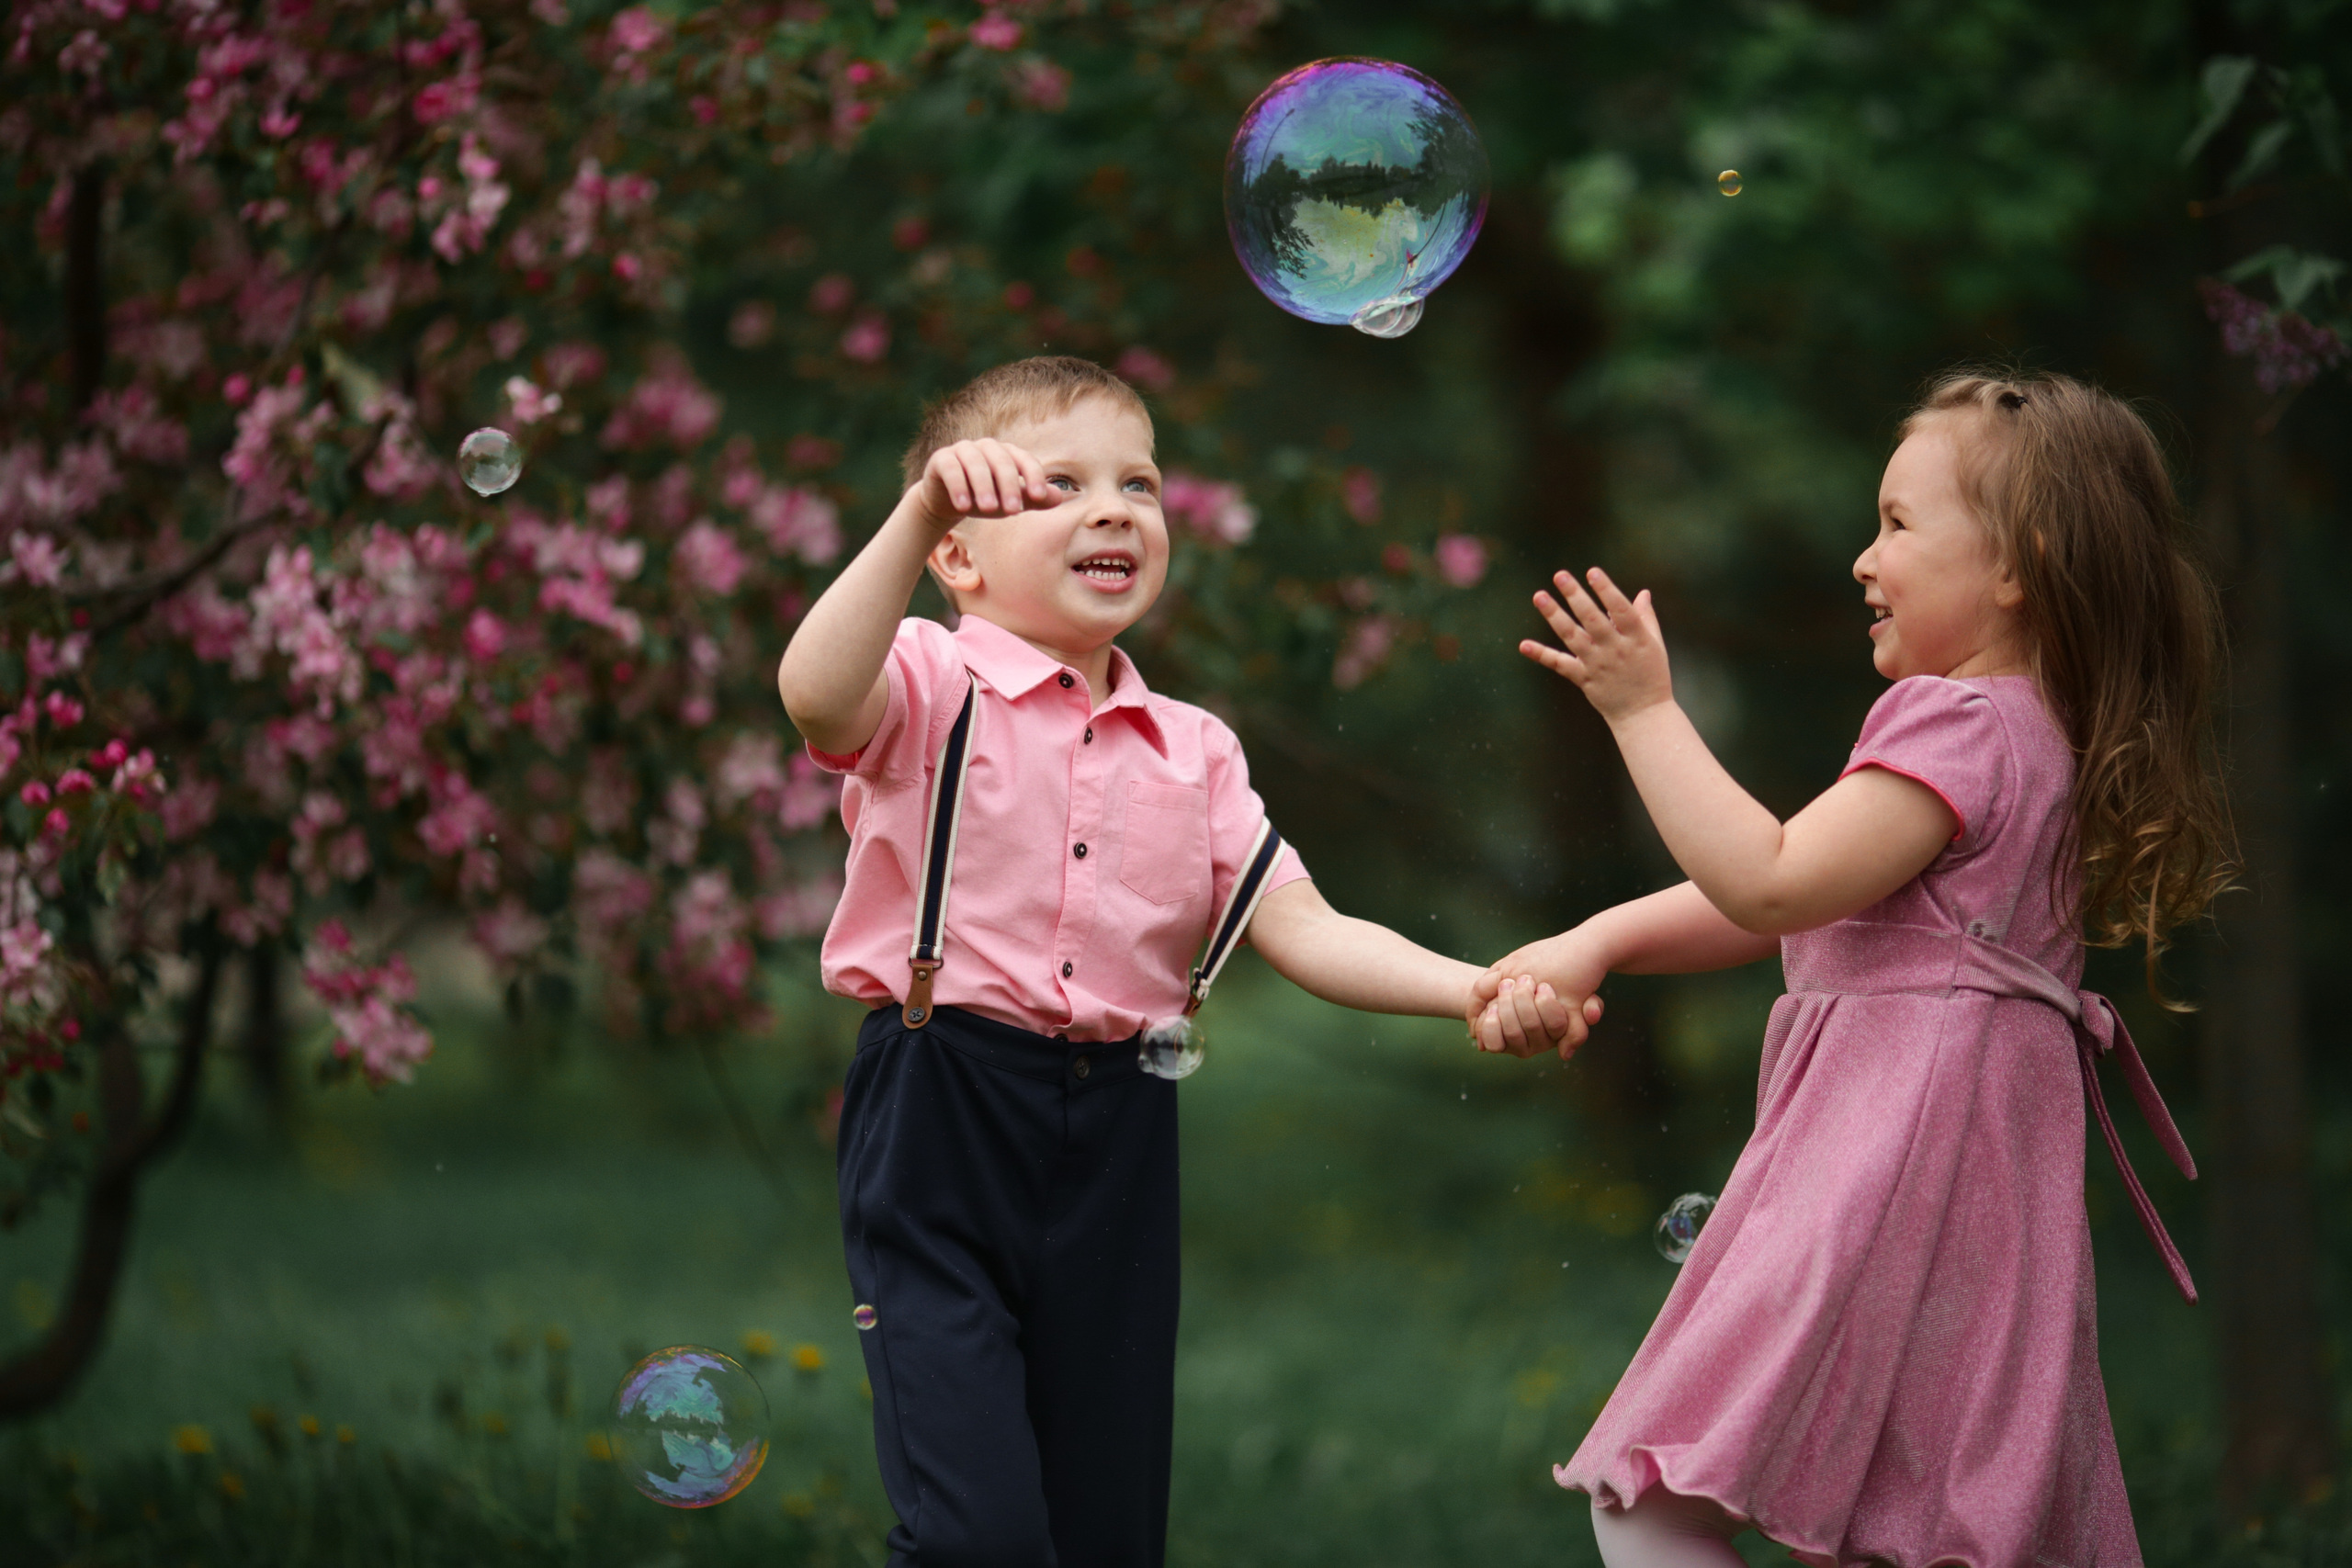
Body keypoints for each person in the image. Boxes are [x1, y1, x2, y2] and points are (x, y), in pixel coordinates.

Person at [775, 355, 1586, 1568]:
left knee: (1107, 1528)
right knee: (978, 1534)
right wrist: (913, 511)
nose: (1113, 508)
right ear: (961, 556)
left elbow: (1307, 930)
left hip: (1118, 1135)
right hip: (943, 1112)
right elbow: (812, 695)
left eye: (1140, 484)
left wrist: (1467, 988)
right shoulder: (929, 683)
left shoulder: (1193, 750)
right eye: (1059, 485)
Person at [1471, 370, 2233, 1568]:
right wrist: (1603, 938)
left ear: (2019, 563)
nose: (1863, 559)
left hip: (1883, 1173)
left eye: (1897, 522)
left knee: (1648, 1495)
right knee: (1912, 1533)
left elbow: (1771, 878)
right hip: (1972, 1188)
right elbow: (1807, 893)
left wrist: (1641, 710)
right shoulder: (2032, 730)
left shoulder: (1961, 721)